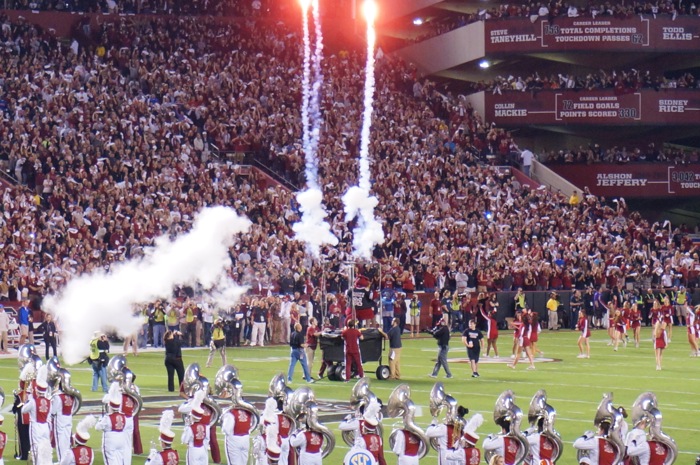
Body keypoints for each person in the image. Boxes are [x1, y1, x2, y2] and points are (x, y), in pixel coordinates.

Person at [21, 366, 51, 463]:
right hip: (46, 426)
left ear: (37, 390)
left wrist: (27, 400)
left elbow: (23, 410)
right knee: (46, 449)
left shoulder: (33, 401)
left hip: (36, 426)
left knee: (35, 449)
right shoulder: (49, 402)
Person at [51, 372, 80, 463]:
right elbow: (74, 408)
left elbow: (53, 411)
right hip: (68, 422)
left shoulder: (57, 397)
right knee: (67, 444)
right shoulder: (72, 396)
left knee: (60, 445)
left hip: (60, 423)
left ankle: (62, 461)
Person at [96, 383, 128, 465]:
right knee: (120, 460)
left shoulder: (108, 417)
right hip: (121, 439)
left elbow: (98, 427)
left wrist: (100, 419)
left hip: (110, 439)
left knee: (110, 461)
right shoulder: (123, 416)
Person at [221, 398, 254, 465]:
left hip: (234, 440)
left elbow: (227, 429)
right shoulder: (249, 412)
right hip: (246, 439)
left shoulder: (231, 412)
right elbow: (253, 424)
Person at [181, 392, 208, 465]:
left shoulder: (190, 428)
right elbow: (207, 439)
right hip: (202, 449)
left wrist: (186, 427)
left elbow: (184, 440)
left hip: (193, 449)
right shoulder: (205, 426)